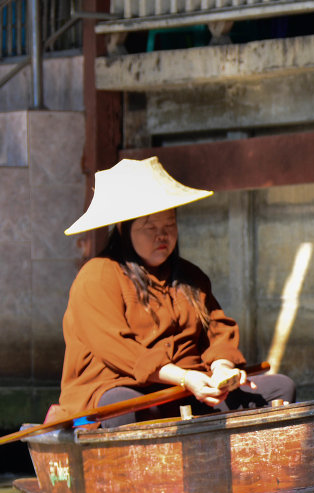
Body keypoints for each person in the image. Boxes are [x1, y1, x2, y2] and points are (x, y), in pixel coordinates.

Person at [58, 156, 295, 428]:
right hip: (125, 387)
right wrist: (183, 378)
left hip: (193, 387)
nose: (163, 235)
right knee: (119, 406)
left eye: (169, 225)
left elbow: (217, 332)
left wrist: (222, 369)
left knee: (280, 388)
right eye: (150, 227)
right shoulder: (97, 275)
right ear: (123, 230)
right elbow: (117, 350)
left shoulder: (191, 277)